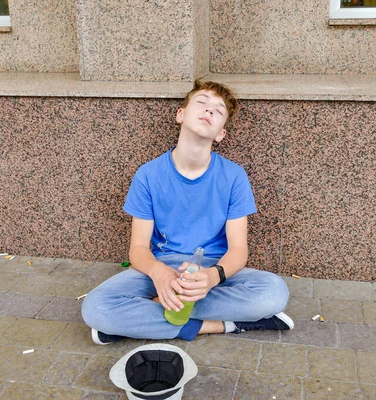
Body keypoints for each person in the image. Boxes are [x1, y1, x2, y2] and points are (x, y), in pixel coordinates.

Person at [81, 80, 292, 344]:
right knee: (96, 307)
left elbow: (239, 249)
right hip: (163, 266)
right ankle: (219, 326)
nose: (209, 110)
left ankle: (146, 316)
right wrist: (159, 275)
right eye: (202, 102)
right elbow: (137, 249)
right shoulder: (148, 175)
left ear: (220, 134)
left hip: (212, 269)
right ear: (180, 114)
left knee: (274, 292)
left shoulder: (234, 176)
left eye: (219, 110)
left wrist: (212, 277)